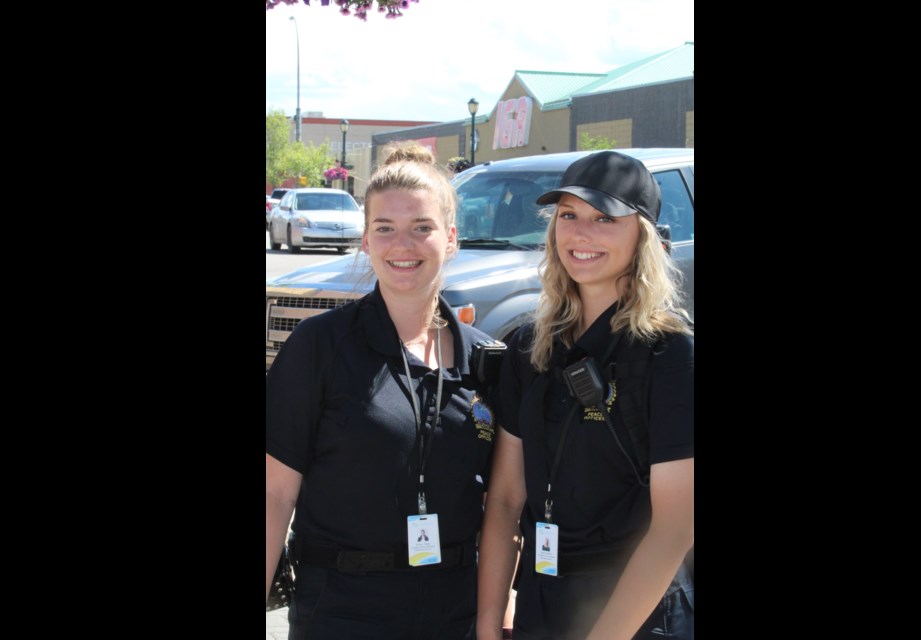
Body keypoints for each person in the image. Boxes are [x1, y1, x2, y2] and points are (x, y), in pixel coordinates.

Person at [267, 143, 498, 639]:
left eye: (422, 228)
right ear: (366, 241)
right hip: (341, 613)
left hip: (452, 612)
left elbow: (505, 505)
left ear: (451, 238)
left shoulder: (485, 360)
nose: (403, 245)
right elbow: (272, 495)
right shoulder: (319, 347)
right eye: (385, 229)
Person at [477, 151, 694, 640]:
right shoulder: (528, 348)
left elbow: (675, 529)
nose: (580, 233)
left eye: (604, 219)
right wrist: (490, 619)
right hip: (542, 602)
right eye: (568, 215)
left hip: (637, 612)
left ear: (643, 236)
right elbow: (508, 498)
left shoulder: (671, 356)